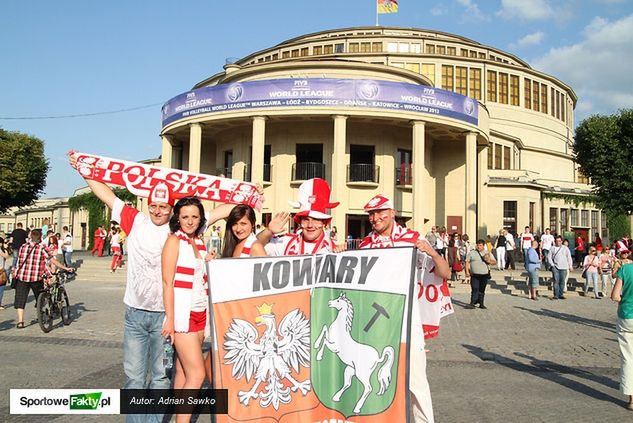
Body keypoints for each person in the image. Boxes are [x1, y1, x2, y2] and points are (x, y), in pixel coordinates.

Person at [358, 194, 451, 423]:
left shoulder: (412, 239)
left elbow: (445, 273)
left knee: (416, 380)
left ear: (392, 213)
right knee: (376, 376)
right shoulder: (364, 244)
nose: (375, 218)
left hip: (408, 317)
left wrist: (431, 252)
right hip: (375, 319)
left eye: (380, 212)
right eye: (371, 214)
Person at [161, 197, 212, 423]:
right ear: (177, 218)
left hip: (201, 312)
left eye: (194, 216)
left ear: (200, 218)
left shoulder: (199, 241)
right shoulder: (174, 241)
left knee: (183, 371)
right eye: (185, 217)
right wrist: (170, 319)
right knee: (198, 374)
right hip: (184, 315)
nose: (190, 221)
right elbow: (167, 282)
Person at [258, 178, 338, 256]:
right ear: (300, 221)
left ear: (324, 222)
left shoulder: (334, 251)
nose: (310, 225)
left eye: (315, 219)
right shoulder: (286, 242)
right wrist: (268, 231)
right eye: (306, 219)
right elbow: (252, 247)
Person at [12, 229, 73, 328]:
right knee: (41, 297)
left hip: (22, 277)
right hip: (36, 278)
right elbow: (51, 260)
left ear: (30, 237)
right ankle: (41, 314)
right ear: (40, 237)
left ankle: (20, 322)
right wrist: (65, 268)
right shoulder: (41, 248)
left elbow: (19, 261)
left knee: (20, 300)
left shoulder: (23, 246)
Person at [611, 260, 633, 411]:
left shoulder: (625, 269)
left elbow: (614, 296)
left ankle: (632, 400)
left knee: (628, 357)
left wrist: (623, 300)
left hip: (626, 316)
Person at [465, 239, 496, 309]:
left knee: (482, 289)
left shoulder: (487, 253)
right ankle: (472, 303)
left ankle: (481, 303)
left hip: (484, 275)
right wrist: (467, 271)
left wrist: (489, 261)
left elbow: (494, 262)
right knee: (475, 288)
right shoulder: (472, 253)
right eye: (478, 245)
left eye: (480, 245)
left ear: (483, 246)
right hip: (475, 274)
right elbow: (467, 262)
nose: (478, 247)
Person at [548, 235, 573, 300]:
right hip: (555, 267)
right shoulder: (552, 248)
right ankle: (556, 295)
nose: (558, 242)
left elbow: (569, 257)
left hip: (564, 267)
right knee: (556, 281)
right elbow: (549, 257)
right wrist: (552, 265)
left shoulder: (565, 248)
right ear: (555, 241)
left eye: (559, 241)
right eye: (557, 241)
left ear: (561, 241)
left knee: (562, 282)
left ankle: (560, 294)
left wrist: (570, 266)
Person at [0, 237, 10, 310]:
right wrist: (6, 249)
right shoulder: (0, 250)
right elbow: (6, 256)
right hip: (1, 270)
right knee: (1, 288)